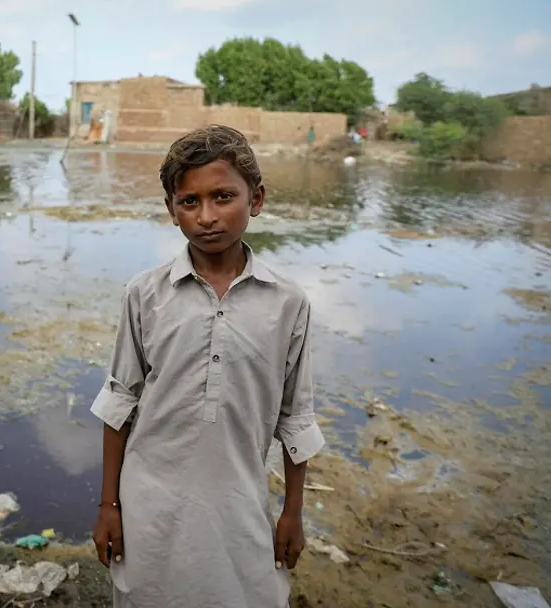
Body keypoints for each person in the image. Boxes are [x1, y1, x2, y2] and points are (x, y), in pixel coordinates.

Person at [91, 124, 325, 608]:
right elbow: (120, 404)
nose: (207, 217)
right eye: (189, 202)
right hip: (149, 503)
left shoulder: (287, 303)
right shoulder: (145, 294)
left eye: (223, 197)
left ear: (256, 199)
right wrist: (108, 505)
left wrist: (292, 512)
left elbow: (295, 418)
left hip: (238, 504)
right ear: (171, 211)